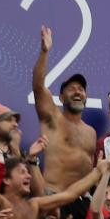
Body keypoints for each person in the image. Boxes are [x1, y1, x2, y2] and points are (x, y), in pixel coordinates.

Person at [31, 26, 96, 192]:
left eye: (81, 89)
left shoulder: (91, 132)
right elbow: (38, 87)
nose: (77, 92)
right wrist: (44, 52)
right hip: (54, 195)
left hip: (82, 203)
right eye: (71, 88)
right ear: (60, 97)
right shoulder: (52, 119)